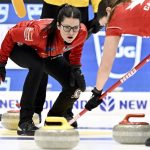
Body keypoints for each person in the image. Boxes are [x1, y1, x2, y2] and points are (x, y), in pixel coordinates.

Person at [0, 4, 87, 135]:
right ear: (58, 25)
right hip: (20, 47)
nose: (71, 33)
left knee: (76, 84)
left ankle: (55, 118)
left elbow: (76, 48)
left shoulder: (81, 32)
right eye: (67, 27)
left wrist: (75, 68)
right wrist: (1, 63)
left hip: (46, 53)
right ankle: (24, 122)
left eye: (75, 28)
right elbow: (11, 34)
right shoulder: (39, 33)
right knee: (37, 66)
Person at [83, 0, 150, 146]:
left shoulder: (113, 20)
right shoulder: (129, 3)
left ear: (108, 10)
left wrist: (97, 92)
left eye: (104, 24)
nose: (106, 28)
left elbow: (106, 66)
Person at [33, 0, 102, 127]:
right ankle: (35, 110)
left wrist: (98, 10)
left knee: (72, 61)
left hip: (79, 5)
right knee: (42, 55)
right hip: (52, 3)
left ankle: (65, 111)